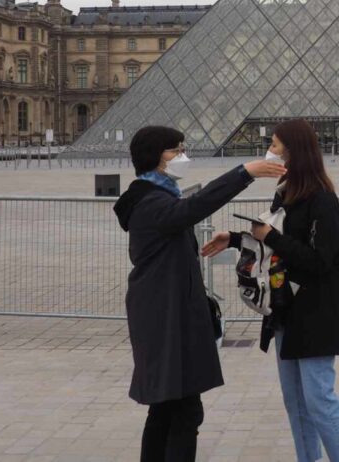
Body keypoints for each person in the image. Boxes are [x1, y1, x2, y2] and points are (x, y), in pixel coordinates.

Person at [113, 125, 286, 462]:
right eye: (175, 150)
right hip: (163, 315)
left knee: (167, 409)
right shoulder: (151, 202)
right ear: (155, 157)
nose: (183, 156)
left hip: (167, 310)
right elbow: (194, 208)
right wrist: (244, 172)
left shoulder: (154, 195)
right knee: (183, 411)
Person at [202, 119, 339, 462]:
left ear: (293, 151)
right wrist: (236, 238)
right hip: (286, 310)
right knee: (296, 402)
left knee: (320, 401)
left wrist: (268, 236)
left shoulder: (322, 200)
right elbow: (275, 247)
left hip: (315, 312)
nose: (268, 149)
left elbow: (318, 261)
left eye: (274, 143)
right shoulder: (286, 193)